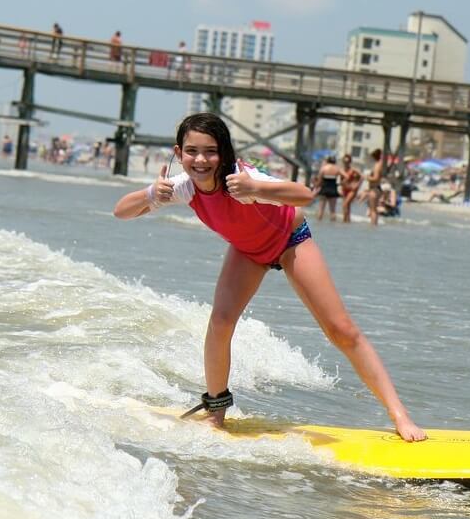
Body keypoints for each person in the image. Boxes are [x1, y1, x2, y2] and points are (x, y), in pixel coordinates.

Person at [112, 113, 425, 441]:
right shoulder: (184, 187)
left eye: (211, 151)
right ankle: (216, 411)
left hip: (292, 241)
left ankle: (399, 414)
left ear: (224, 152)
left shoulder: (242, 179)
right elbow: (121, 211)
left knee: (341, 330)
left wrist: (256, 188)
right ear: (179, 153)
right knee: (220, 322)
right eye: (192, 151)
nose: (201, 160)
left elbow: (305, 195)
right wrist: (151, 194)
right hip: (248, 252)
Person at [315, 155, 340, 222]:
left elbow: (319, 181)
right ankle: (333, 226)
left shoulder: (324, 168)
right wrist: (340, 183)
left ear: (327, 161)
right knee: (333, 211)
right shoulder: (337, 168)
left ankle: (318, 224)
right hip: (333, 189)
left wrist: (316, 187)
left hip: (324, 189)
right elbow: (346, 176)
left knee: (321, 210)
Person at [338, 154, 362, 223]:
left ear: (350, 162)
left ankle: (344, 221)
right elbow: (339, 180)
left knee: (345, 204)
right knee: (347, 206)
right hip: (344, 189)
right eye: (345, 162)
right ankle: (347, 221)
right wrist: (340, 187)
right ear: (343, 161)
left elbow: (362, 177)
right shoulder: (341, 170)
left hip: (352, 190)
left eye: (348, 162)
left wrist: (357, 185)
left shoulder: (353, 170)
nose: (346, 163)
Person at [366, 148, 384, 226]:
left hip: (374, 189)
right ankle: (374, 226)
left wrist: (367, 177)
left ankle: (373, 225)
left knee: (372, 210)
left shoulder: (377, 165)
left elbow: (375, 178)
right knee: (374, 210)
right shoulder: (381, 164)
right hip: (377, 188)